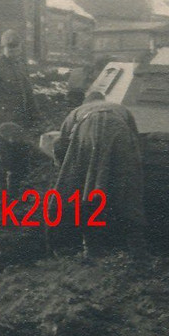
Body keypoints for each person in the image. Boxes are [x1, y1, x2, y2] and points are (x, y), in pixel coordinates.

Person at [51, 92, 146, 252]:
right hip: (119, 131)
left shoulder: (77, 111)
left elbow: (62, 143)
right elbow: (135, 139)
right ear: (103, 100)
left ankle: (89, 245)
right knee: (126, 187)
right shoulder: (121, 108)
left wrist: (64, 169)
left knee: (82, 186)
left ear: (86, 101)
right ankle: (135, 246)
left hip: (87, 130)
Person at [0, 29, 41, 193]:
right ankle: (0, 204)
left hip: (20, 123)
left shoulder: (20, 65)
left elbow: (28, 93)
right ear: (3, 48)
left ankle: (14, 198)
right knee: (1, 163)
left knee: (20, 162)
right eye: (9, 48)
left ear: (20, 48)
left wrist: (36, 117)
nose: (12, 51)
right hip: (0, 124)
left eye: (15, 48)